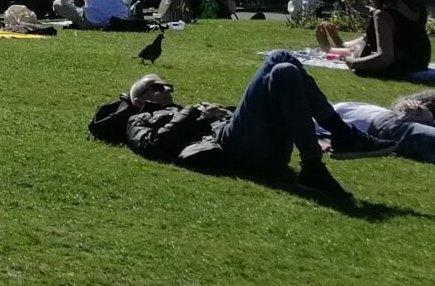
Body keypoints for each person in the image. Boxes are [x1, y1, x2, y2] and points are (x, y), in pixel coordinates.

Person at [87, 53, 352, 197]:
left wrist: (223, 113)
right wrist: (198, 113)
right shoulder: (138, 119)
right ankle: (343, 135)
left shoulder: (181, 110)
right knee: (279, 59)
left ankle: (313, 164)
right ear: (139, 99)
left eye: (168, 85)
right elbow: (152, 146)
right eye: (157, 87)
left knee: (284, 72)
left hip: (264, 148)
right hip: (231, 148)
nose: (166, 89)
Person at [314, 0, 432, 79]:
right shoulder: (416, 0)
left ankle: (331, 49)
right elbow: (405, 30)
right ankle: (339, 45)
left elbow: (384, 58)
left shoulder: (383, 16)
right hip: (420, 59)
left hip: (399, 63)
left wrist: (352, 63)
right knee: (367, 40)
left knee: (359, 49)